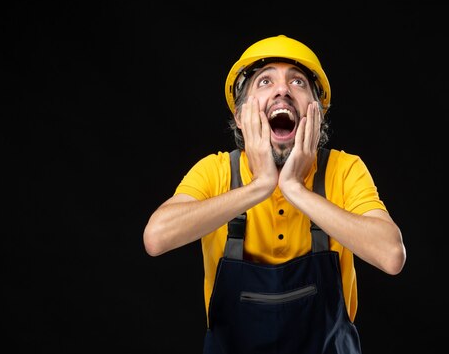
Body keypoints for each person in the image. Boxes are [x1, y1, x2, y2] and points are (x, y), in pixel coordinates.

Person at [143, 34, 406, 354]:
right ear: (241, 118)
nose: (282, 89)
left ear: (316, 114)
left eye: (297, 81)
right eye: (265, 81)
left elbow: (392, 256)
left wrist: (295, 189)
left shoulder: (343, 169)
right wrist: (258, 187)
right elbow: (156, 237)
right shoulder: (217, 171)